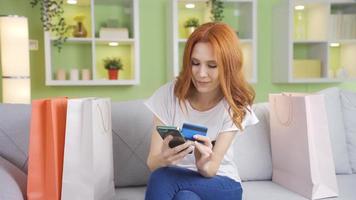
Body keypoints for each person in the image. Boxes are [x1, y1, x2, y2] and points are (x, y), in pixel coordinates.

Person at [144, 22, 258, 200]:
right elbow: (152, 163)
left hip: (221, 183)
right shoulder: (168, 95)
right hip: (178, 181)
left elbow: (211, 169)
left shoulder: (235, 104)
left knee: (161, 178)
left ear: (228, 67)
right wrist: (164, 159)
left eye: (212, 66)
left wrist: (202, 162)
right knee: (185, 197)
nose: (201, 73)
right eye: (195, 63)